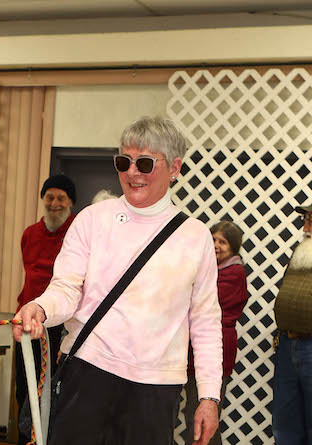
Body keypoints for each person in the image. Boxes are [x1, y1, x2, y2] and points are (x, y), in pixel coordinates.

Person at [14, 115, 223, 445]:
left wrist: (209, 396)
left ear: (175, 167)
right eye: (124, 162)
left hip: (157, 387)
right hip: (88, 371)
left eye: (144, 163)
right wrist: (41, 308)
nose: (132, 173)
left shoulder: (195, 236)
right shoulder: (93, 220)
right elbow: (66, 287)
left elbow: (206, 322)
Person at [15, 174, 76, 445]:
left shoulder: (77, 234)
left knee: (54, 391)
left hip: (59, 325)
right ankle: (24, 438)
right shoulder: (30, 234)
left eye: (61, 198)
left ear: (70, 203)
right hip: (27, 322)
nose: (54, 203)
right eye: (49, 197)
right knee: (24, 387)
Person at [180, 220, 248, 445]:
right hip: (190, 352)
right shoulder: (207, 269)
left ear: (234, 247)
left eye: (223, 242)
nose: (216, 245)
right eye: (213, 239)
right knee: (193, 416)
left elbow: (202, 305)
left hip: (213, 352)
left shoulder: (234, 273)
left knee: (201, 419)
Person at [272, 203, 312, 445]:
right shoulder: (302, 251)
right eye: (305, 220)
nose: (306, 227)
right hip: (289, 344)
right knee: (285, 424)